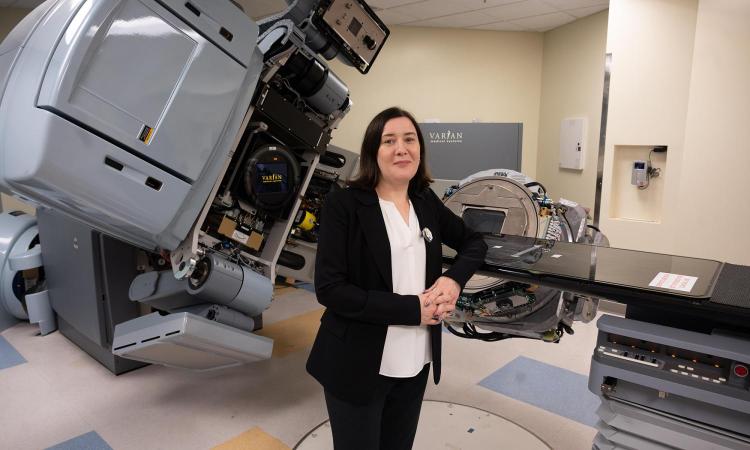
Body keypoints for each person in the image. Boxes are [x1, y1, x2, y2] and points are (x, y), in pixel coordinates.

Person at [306, 107, 487, 450]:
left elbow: (474, 242)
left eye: (409, 139)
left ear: (420, 149)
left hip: (416, 361)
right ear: (373, 152)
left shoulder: (425, 201)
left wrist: (453, 280)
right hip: (358, 364)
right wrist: (411, 309)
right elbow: (330, 289)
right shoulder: (343, 205)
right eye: (389, 141)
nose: (401, 148)